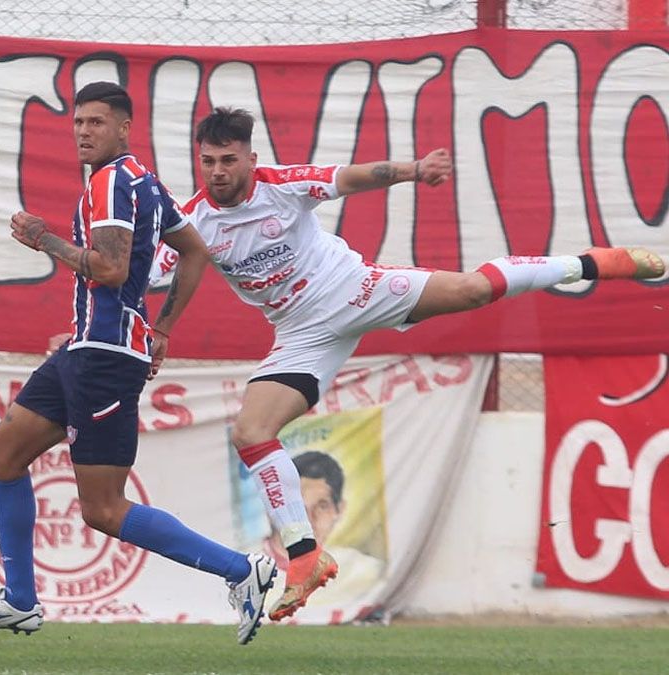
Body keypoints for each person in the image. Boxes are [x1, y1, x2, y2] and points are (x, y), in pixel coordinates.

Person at [173, 107, 665, 621]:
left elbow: (353, 177)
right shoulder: (194, 222)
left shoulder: (282, 185)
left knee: (474, 290)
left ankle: (589, 263)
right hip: (302, 334)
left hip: (355, 290)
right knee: (252, 431)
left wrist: (414, 168)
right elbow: (149, 268)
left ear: (251, 159)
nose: (218, 172)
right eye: (208, 161)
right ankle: (304, 556)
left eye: (228, 160)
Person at [0, 83, 276, 645]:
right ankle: (20, 601)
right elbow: (195, 250)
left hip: (104, 358)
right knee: (3, 454)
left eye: (97, 123)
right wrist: (163, 328)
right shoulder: (143, 181)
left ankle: (243, 572)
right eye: (79, 123)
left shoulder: (111, 181)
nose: (84, 132)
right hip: (86, 348)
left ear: (124, 128)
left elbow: (110, 270)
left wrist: (43, 239)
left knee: (101, 508)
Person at [260, 451, 385, 609]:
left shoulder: (363, 571)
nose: (309, 519)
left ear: (339, 510)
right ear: (273, 510)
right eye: (297, 507)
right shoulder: (245, 570)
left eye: (322, 506)